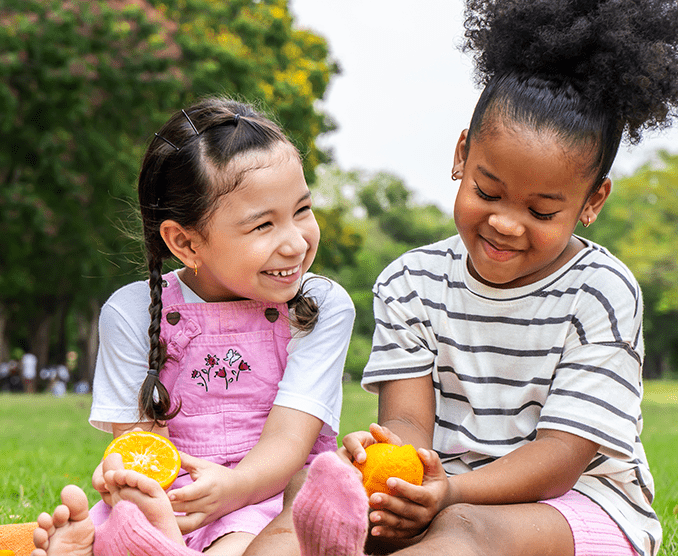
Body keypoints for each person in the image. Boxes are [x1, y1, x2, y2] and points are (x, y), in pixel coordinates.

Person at [261, 1, 678, 556]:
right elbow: (408, 420)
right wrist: (392, 461)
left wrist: (449, 493)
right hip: (448, 496)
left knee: (466, 532)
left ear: (591, 201)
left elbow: (558, 460)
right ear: (462, 155)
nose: (506, 223)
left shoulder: (601, 290)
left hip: (581, 506)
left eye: (543, 211)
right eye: (488, 192)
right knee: (313, 486)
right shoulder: (410, 281)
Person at [31, 97, 355, 556]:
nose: (296, 242)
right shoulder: (132, 312)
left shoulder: (320, 305)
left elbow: (290, 437)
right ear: (186, 242)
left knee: (252, 538)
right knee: (130, 514)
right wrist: (142, 487)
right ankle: (141, 537)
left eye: (302, 210)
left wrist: (235, 488)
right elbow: (145, 445)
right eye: (263, 225)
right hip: (177, 497)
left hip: (270, 491)